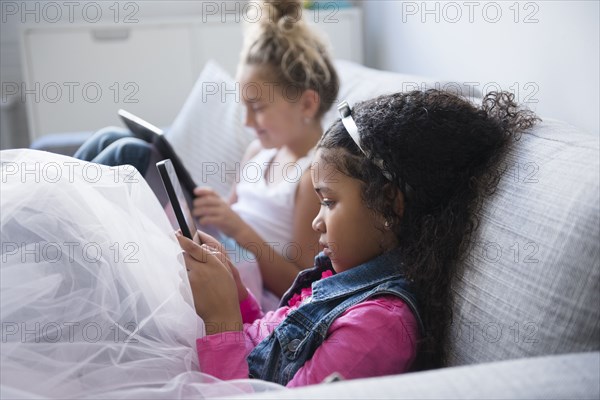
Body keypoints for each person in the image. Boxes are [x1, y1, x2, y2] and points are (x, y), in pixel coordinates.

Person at [176, 89, 539, 386]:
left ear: (389, 206)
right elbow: (270, 351)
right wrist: (238, 297)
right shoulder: (339, 274)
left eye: (329, 203)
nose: (317, 222)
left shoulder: (378, 326)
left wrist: (221, 321)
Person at [74, 0, 340, 307]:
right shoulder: (258, 151)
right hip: (221, 247)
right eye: (245, 107)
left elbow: (301, 282)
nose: (247, 122)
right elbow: (229, 215)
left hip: (243, 280)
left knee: (129, 152)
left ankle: (56, 229)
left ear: (306, 104)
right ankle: (53, 218)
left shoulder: (310, 178)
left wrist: (234, 226)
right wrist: (208, 209)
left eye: (258, 108)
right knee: (112, 138)